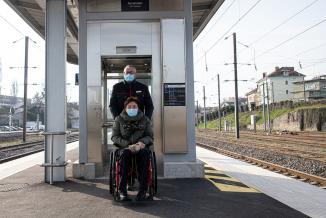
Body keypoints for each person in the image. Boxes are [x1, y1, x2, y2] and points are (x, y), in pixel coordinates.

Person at [111, 97, 153, 201]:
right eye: (129, 106)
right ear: (125, 108)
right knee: (125, 154)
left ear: (138, 108)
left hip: (140, 147)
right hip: (124, 148)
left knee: (144, 154)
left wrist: (141, 143)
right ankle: (122, 190)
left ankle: (143, 190)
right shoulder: (119, 119)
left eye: (134, 106)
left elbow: (150, 136)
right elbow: (114, 137)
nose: (132, 108)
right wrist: (127, 145)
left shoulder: (145, 119)